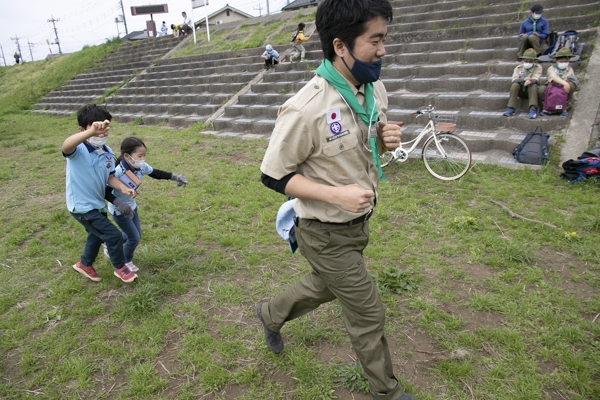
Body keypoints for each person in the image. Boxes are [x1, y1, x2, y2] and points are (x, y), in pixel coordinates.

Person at [256, 1, 416, 399]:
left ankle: (269, 314)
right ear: (341, 46)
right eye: (374, 40)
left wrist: (384, 136)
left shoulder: (374, 86)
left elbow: (370, 129)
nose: (383, 50)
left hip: (357, 226)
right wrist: (335, 195)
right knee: (367, 310)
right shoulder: (306, 108)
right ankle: (387, 392)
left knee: (326, 286)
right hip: (322, 231)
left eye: (385, 38)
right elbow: (272, 174)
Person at [62, 104, 138, 283]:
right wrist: (90, 133)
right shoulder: (78, 150)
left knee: (96, 235)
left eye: (105, 131)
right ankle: (120, 267)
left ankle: (84, 264)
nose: (102, 134)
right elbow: (66, 146)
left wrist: (122, 187)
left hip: (97, 203)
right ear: (82, 130)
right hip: (82, 206)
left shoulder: (107, 151)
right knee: (113, 236)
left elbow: (110, 177)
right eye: (97, 130)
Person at [103, 137, 188, 272]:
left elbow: (155, 173)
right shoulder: (118, 171)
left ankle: (110, 242)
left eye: (144, 155)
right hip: (120, 210)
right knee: (134, 238)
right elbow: (105, 192)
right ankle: (125, 261)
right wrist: (119, 204)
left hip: (132, 206)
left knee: (136, 234)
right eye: (139, 156)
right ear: (127, 156)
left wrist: (175, 176)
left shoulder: (140, 166)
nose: (142, 159)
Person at [503, 48, 543, 119]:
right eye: (526, 61)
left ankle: (533, 108)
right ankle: (511, 108)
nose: (528, 63)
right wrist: (524, 80)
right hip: (521, 90)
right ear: (523, 60)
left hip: (531, 91)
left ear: (534, 61)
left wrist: (529, 81)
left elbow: (536, 78)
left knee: (533, 85)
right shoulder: (518, 68)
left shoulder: (538, 67)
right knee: (514, 85)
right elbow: (514, 80)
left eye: (530, 61)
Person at [539, 47, 579, 116]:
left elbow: (572, 78)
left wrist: (566, 84)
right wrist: (564, 83)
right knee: (541, 89)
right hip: (552, 86)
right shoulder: (551, 68)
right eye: (561, 61)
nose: (563, 63)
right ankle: (546, 107)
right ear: (556, 60)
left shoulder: (569, 69)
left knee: (571, 85)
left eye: (565, 61)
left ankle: (564, 106)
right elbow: (554, 78)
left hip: (564, 88)